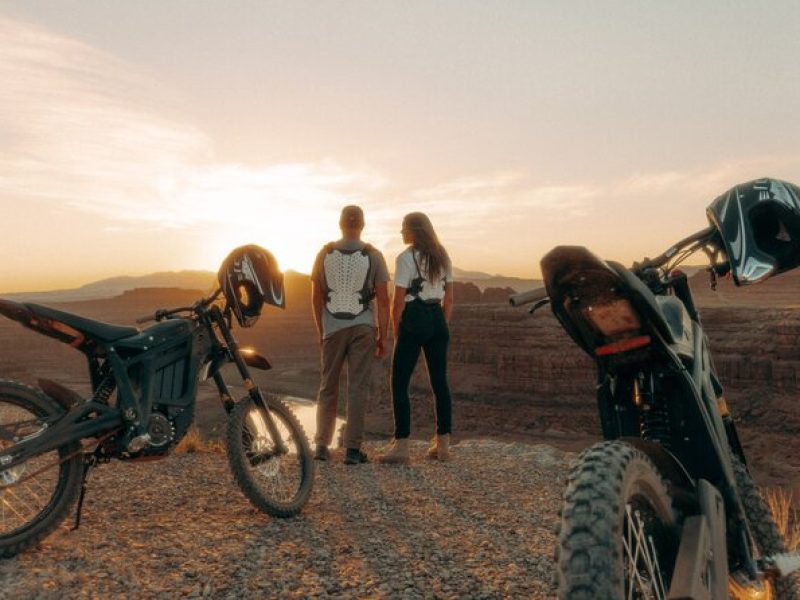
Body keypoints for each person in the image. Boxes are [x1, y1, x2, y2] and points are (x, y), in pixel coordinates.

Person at [311, 205, 390, 465]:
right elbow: (384, 300)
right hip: (363, 327)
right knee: (357, 388)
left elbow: (316, 296)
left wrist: (322, 330)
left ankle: (322, 446)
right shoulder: (374, 256)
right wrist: (382, 336)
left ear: (341, 224)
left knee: (328, 386)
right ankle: (353, 451)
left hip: (333, 327)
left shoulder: (324, 254)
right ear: (363, 226)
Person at [379, 212, 454, 465]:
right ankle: (443, 445)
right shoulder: (441, 255)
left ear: (414, 231)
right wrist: (440, 324)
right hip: (437, 318)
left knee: (399, 382)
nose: (401, 232)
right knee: (439, 382)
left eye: (403, 228)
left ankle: (401, 446)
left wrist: (397, 331)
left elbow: (397, 301)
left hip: (414, 317)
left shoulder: (406, 258)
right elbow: (450, 298)